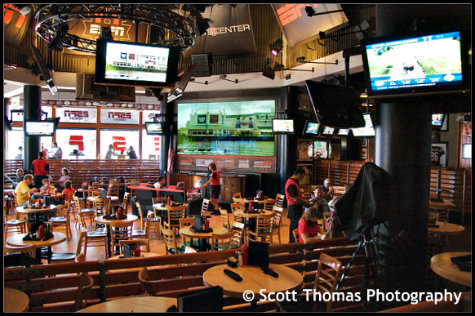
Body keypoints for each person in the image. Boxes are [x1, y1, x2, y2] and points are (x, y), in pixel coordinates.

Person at [285, 167, 311, 243]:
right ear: (299, 174)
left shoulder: (292, 182)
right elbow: (295, 199)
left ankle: (293, 248)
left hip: (294, 208)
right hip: (294, 209)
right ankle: (293, 248)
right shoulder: (291, 183)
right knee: (295, 229)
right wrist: (306, 202)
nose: (302, 179)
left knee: (294, 228)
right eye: (302, 176)